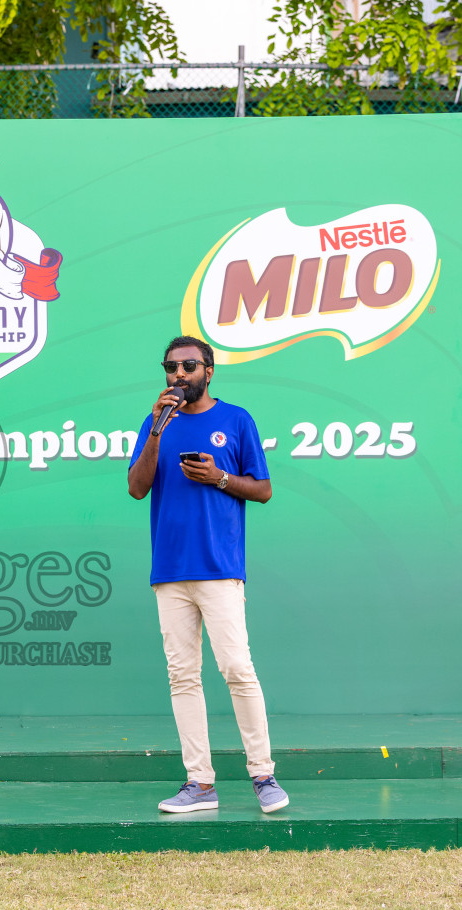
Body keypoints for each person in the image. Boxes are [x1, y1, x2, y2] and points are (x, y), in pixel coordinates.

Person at [127, 336, 288, 814]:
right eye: (171, 367)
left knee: (237, 668)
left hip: (219, 568)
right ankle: (200, 784)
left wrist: (218, 478)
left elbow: (263, 490)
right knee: (183, 677)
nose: (179, 375)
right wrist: (157, 431)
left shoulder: (236, 420)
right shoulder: (156, 422)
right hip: (170, 572)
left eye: (189, 366)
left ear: (209, 370)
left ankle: (263, 775)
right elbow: (137, 488)